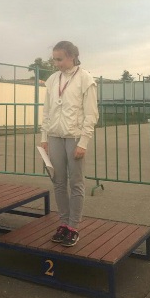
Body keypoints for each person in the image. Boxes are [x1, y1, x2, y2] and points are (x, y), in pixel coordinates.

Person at [40, 41, 98, 247]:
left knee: (76, 182)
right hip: (55, 136)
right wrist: (44, 138)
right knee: (58, 181)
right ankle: (63, 223)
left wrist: (83, 142)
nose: (57, 63)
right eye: (54, 59)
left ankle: (73, 226)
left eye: (60, 59)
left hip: (74, 137)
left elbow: (91, 114)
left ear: (72, 56)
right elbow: (47, 111)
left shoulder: (85, 79)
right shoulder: (52, 80)